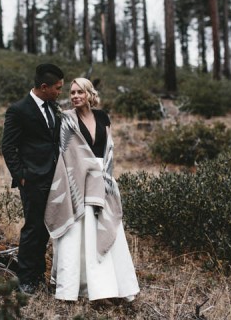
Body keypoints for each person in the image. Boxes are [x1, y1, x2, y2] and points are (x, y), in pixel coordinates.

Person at [44, 77, 140, 302]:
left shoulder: (102, 117)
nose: (75, 96)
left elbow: (109, 150)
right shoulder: (66, 119)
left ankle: (109, 287)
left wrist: (105, 176)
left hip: (103, 180)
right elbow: (67, 152)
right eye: (72, 93)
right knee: (78, 235)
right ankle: (76, 288)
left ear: (89, 94)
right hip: (79, 180)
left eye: (80, 92)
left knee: (105, 230)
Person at [1, 63, 65, 295]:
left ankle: (38, 273)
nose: (60, 92)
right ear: (44, 87)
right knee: (33, 228)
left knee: (46, 228)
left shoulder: (53, 107)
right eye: (58, 88)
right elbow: (8, 147)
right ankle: (26, 279)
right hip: (33, 180)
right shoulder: (18, 110)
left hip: (55, 178)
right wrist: (22, 177)